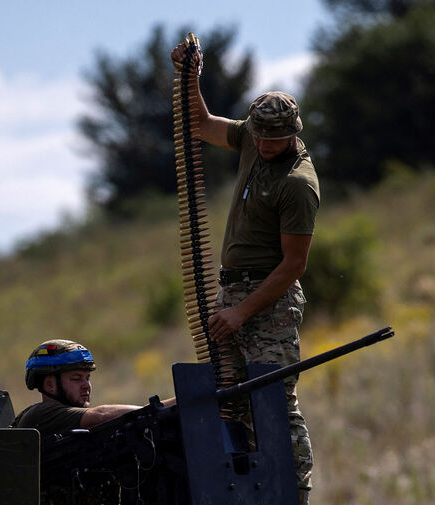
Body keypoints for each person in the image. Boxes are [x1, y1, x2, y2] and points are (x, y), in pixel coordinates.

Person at [171, 42, 320, 505]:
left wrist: (240, 314)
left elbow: (294, 265)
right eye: (257, 136)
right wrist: (190, 75)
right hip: (232, 289)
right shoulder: (256, 140)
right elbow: (200, 125)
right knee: (231, 399)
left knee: (272, 401)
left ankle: (292, 492)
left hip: (268, 300)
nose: (261, 145)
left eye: (272, 140)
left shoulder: (298, 184)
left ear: (292, 134)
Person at [10, 339, 175, 436]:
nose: (86, 386)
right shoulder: (41, 414)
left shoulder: (66, 418)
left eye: (87, 378)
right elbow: (101, 415)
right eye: (76, 378)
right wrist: (168, 406)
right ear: (49, 385)